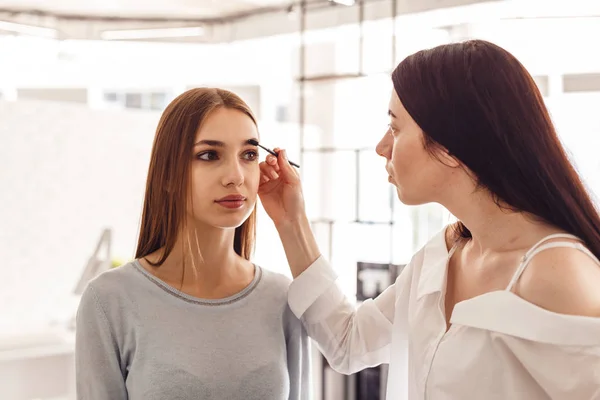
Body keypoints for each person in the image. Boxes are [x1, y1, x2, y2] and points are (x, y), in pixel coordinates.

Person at [258, 40, 600, 399]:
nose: (381, 147)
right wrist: (290, 219)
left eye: (395, 128)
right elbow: (348, 342)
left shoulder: (556, 271)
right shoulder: (443, 253)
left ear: (450, 146)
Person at [76, 88, 310, 400]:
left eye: (249, 155)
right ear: (168, 175)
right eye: (209, 155)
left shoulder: (284, 298)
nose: (235, 176)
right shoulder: (109, 301)